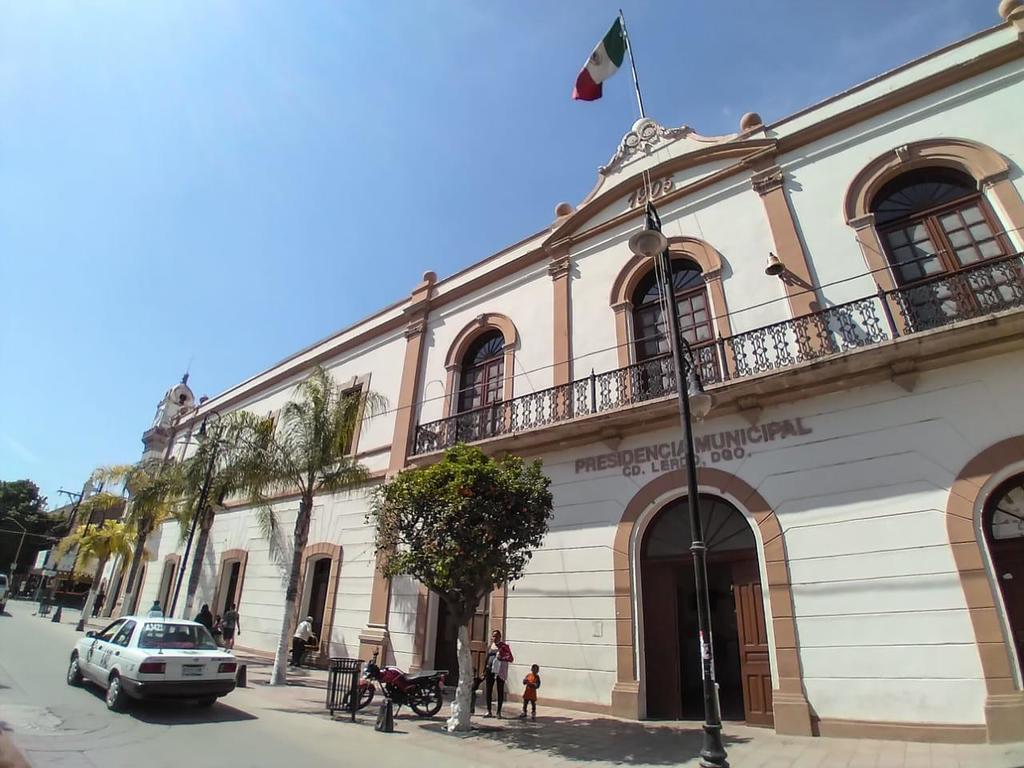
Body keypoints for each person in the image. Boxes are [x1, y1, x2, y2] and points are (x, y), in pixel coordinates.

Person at [483, 629, 513, 719]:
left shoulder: (504, 646)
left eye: (496, 636)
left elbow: (510, 658)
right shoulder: (490, 646)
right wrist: (484, 670)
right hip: (490, 670)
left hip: (500, 671)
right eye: (493, 636)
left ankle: (498, 712)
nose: (494, 638)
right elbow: (486, 658)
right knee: (488, 690)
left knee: (500, 690)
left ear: (500, 637)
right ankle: (489, 711)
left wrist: (502, 657)